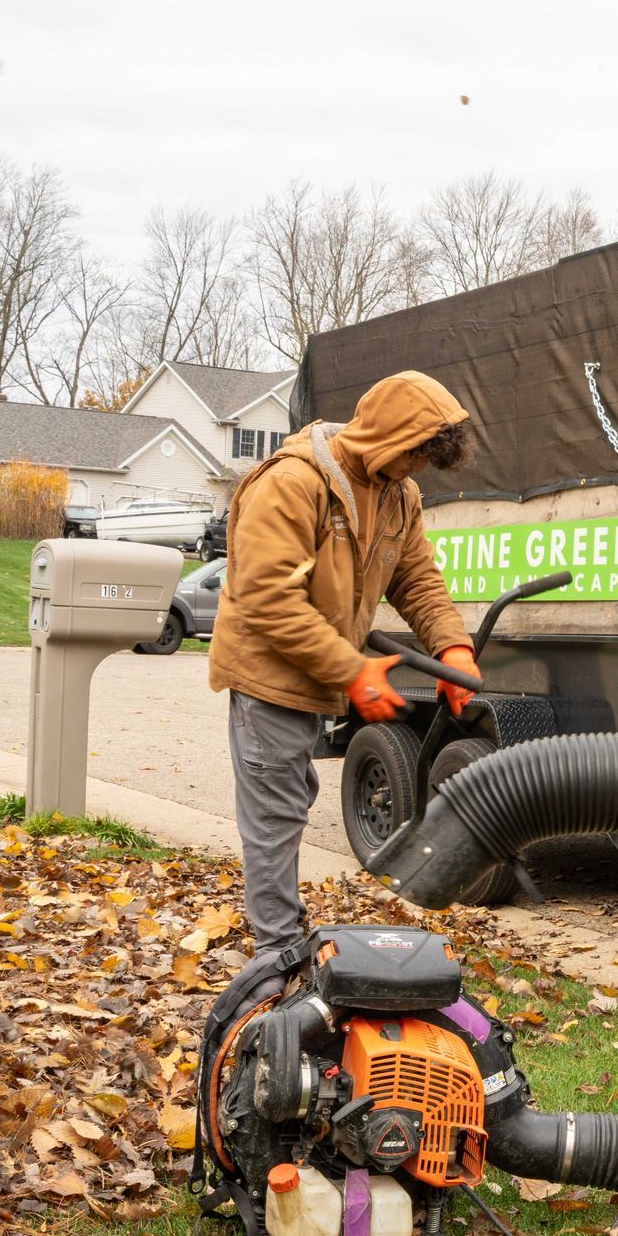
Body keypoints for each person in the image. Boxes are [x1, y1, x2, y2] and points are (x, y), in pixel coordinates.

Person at [208, 370, 483, 978]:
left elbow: (417, 580)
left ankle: (284, 938)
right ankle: (275, 958)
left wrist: (453, 650)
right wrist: (353, 671)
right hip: (269, 673)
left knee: (292, 798)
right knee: (276, 812)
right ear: (385, 434)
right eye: (412, 453)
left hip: (321, 674)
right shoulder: (291, 483)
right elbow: (267, 599)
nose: (415, 469)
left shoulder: (397, 494)